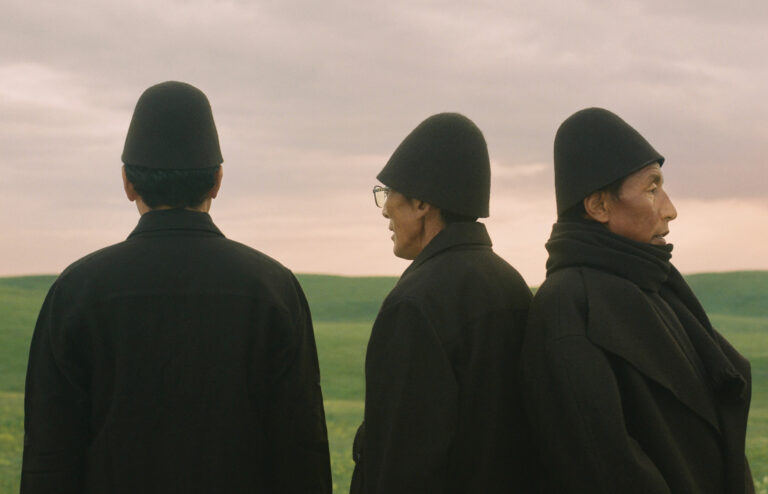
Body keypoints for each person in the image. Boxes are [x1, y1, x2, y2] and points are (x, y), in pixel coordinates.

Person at [21, 81, 332, 493]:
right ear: (217, 181)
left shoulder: (75, 291)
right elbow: (301, 452)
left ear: (127, 183)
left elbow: (50, 456)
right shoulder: (275, 289)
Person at [521, 107, 754, 493]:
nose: (670, 209)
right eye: (651, 188)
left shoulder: (659, 288)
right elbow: (602, 468)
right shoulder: (566, 307)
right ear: (598, 206)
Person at [350, 113, 536, 493]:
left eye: (390, 195)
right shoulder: (512, 286)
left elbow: (401, 464)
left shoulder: (416, 303)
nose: (385, 211)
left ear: (421, 202)